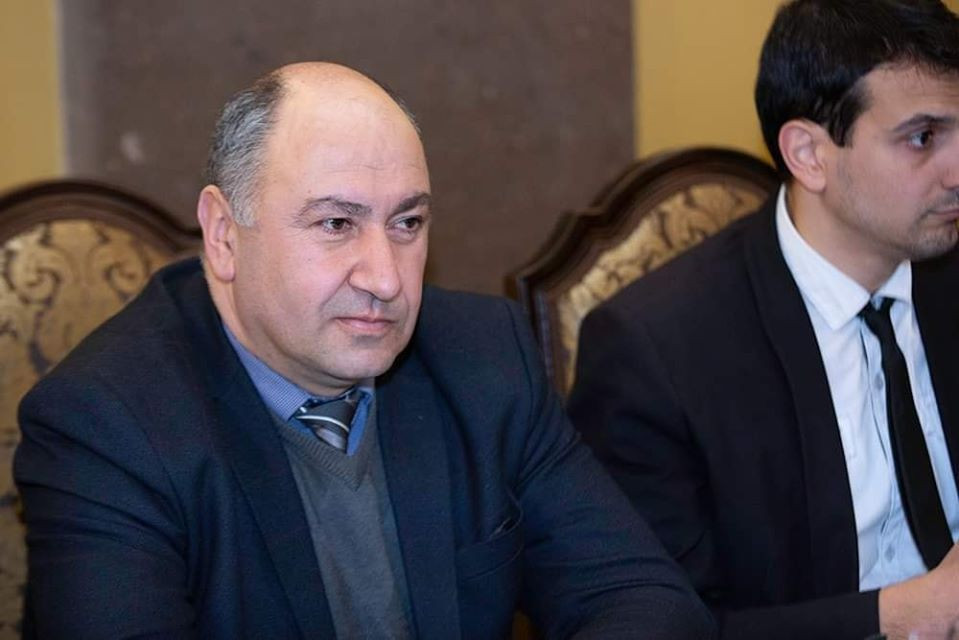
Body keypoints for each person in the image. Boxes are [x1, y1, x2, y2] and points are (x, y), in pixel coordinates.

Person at [14, 62, 713, 639]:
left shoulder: (484, 358)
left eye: (407, 222)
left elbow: (645, 600)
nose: (385, 278)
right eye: (335, 223)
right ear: (224, 235)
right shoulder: (106, 425)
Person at [568, 1, 959, 639]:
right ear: (808, 154)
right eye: (923, 138)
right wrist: (905, 614)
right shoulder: (655, 351)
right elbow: (662, 624)